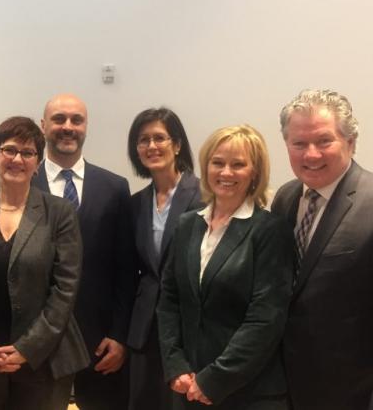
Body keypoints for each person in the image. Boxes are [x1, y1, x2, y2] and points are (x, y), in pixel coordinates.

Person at [0, 116, 89, 410]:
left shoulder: (59, 213)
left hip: (43, 361)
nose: (17, 159)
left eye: (27, 153)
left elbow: (65, 289)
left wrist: (27, 348)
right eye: (9, 150)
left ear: (37, 162)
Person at [157, 125, 293, 409]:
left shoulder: (270, 230)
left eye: (238, 164)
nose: (226, 172)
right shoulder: (187, 224)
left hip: (246, 391)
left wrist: (214, 379)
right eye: (217, 163)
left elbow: (265, 319)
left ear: (254, 172)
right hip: (187, 386)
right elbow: (169, 300)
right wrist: (175, 365)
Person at [270, 89, 373, 410]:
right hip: (285, 384)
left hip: (351, 390)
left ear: (351, 142)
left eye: (324, 141)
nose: (311, 155)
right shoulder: (285, 198)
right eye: (299, 144)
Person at [33, 94, 135, 409]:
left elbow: (126, 269)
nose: (68, 127)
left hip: (100, 343)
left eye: (76, 120)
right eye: (59, 119)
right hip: (38, 341)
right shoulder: (21, 186)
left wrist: (120, 336)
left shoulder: (114, 188)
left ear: (86, 126)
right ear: (43, 126)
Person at [126, 107, 202, 410]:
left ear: (178, 144)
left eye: (160, 138)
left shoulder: (203, 195)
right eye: (143, 140)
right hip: (144, 329)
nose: (151, 146)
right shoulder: (135, 203)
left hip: (189, 327)